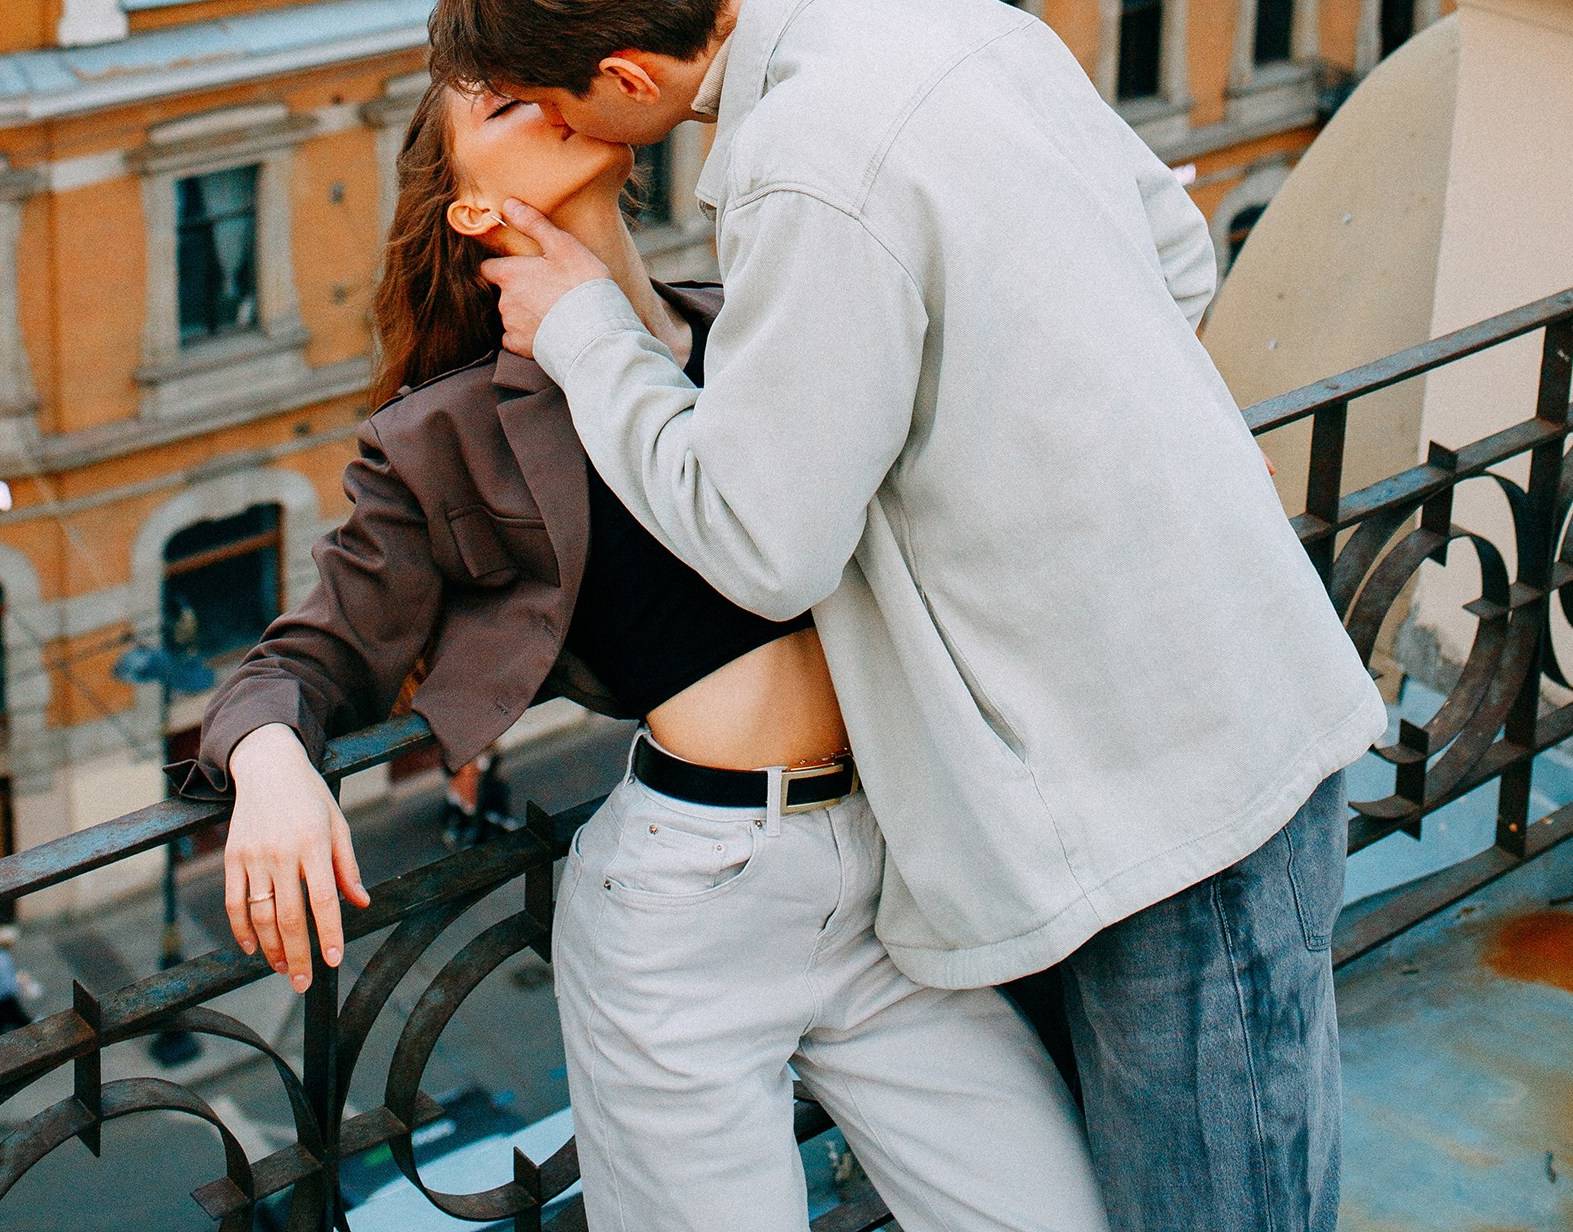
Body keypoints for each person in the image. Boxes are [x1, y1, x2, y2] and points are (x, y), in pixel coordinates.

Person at [428, 0, 1389, 1232]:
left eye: (560, 102)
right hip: (1212, 700)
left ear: (632, 76)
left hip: (1154, 776)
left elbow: (766, 542)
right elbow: (1178, 259)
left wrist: (585, 327)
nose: (579, 138)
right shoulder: (952, 25)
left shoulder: (805, 179)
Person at [198, 80, 1106, 1232]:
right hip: (688, 907)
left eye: (549, 78)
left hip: (894, 876)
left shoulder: (755, 322)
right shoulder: (450, 434)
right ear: (473, 209)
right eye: (502, 107)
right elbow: (309, 657)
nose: (548, 94)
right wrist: (270, 762)